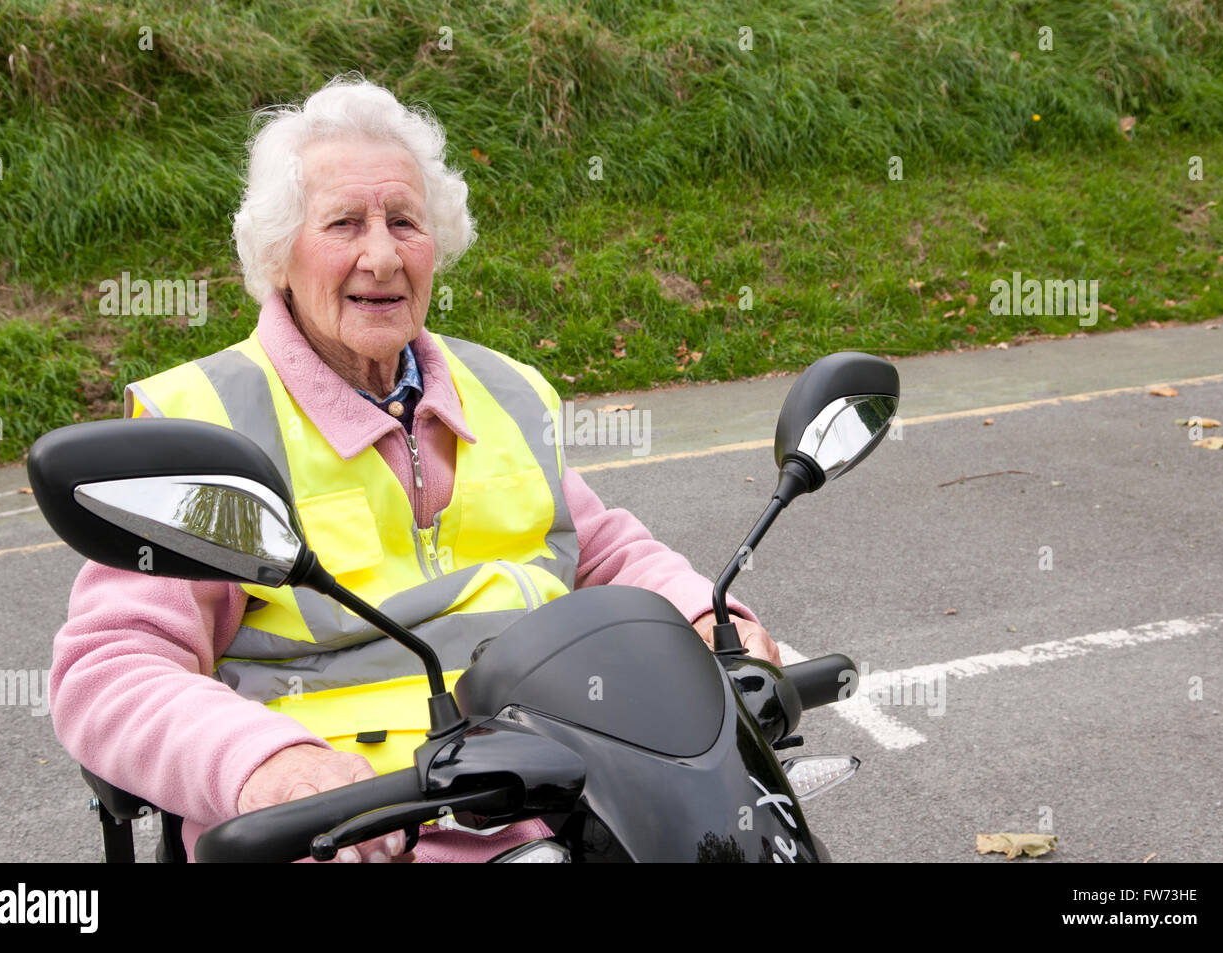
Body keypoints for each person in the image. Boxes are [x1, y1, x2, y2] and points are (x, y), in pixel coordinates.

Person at [50, 76, 779, 863]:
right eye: (343, 224)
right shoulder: (204, 423)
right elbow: (110, 668)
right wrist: (267, 764)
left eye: (405, 221)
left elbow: (601, 554)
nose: (382, 254)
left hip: (573, 807)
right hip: (351, 833)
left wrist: (706, 617)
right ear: (278, 255)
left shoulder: (503, 389)